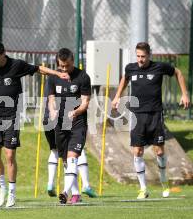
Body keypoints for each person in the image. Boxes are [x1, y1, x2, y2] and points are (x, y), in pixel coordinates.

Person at [0, 41, 69, 208]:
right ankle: (1, 188)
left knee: (9, 155)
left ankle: (12, 192)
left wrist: (57, 74)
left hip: (11, 117)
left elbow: (38, 69)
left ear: (3, 54)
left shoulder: (16, 65)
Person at [112, 42, 190, 199]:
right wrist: (116, 97)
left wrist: (185, 94)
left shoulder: (159, 67)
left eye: (143, 56)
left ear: (149, 55)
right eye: (138, 56)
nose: (140, 59)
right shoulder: (130, 68)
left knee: (159, 151)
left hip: (155, 114)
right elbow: (124, 79)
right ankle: (143, 189)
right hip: (137, 115)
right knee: (137, 151)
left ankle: (163, 181)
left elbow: (178, 73)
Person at [47, 48, 91, 205]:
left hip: (77, 123)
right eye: (61, 66)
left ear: (73, 61)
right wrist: (52, 110)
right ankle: (76, 193)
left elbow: (85, 102)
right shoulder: (53, 77)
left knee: (72, 159)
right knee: (65, 161)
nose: (64, 69)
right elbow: (51, 98)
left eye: (67, 66)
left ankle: (65, 192)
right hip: (60, 124)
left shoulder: (83, 77)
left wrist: (76, 111)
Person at [43, 87, 96, 199]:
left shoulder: (52, 80)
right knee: (75, 153)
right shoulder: (71, 82)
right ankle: (84, 186)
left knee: (57, 153)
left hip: (48, 119)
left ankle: (50, 183)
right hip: (66, 120)